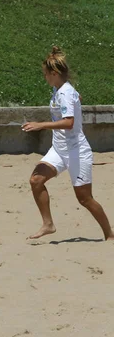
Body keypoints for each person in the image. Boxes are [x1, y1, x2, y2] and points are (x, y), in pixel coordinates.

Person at [22, 46, 114, 241]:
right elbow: (76, 97)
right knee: (36, 180)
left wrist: (41, 125)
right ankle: (48, 224)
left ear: (54, 74)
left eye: (46, 74)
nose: (44, 78)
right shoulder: (61, 89)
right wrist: (76, 99)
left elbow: (69, 122)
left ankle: (110, 235)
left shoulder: (64, 92)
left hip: (77, 152)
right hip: (59, 150)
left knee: (85, 199)